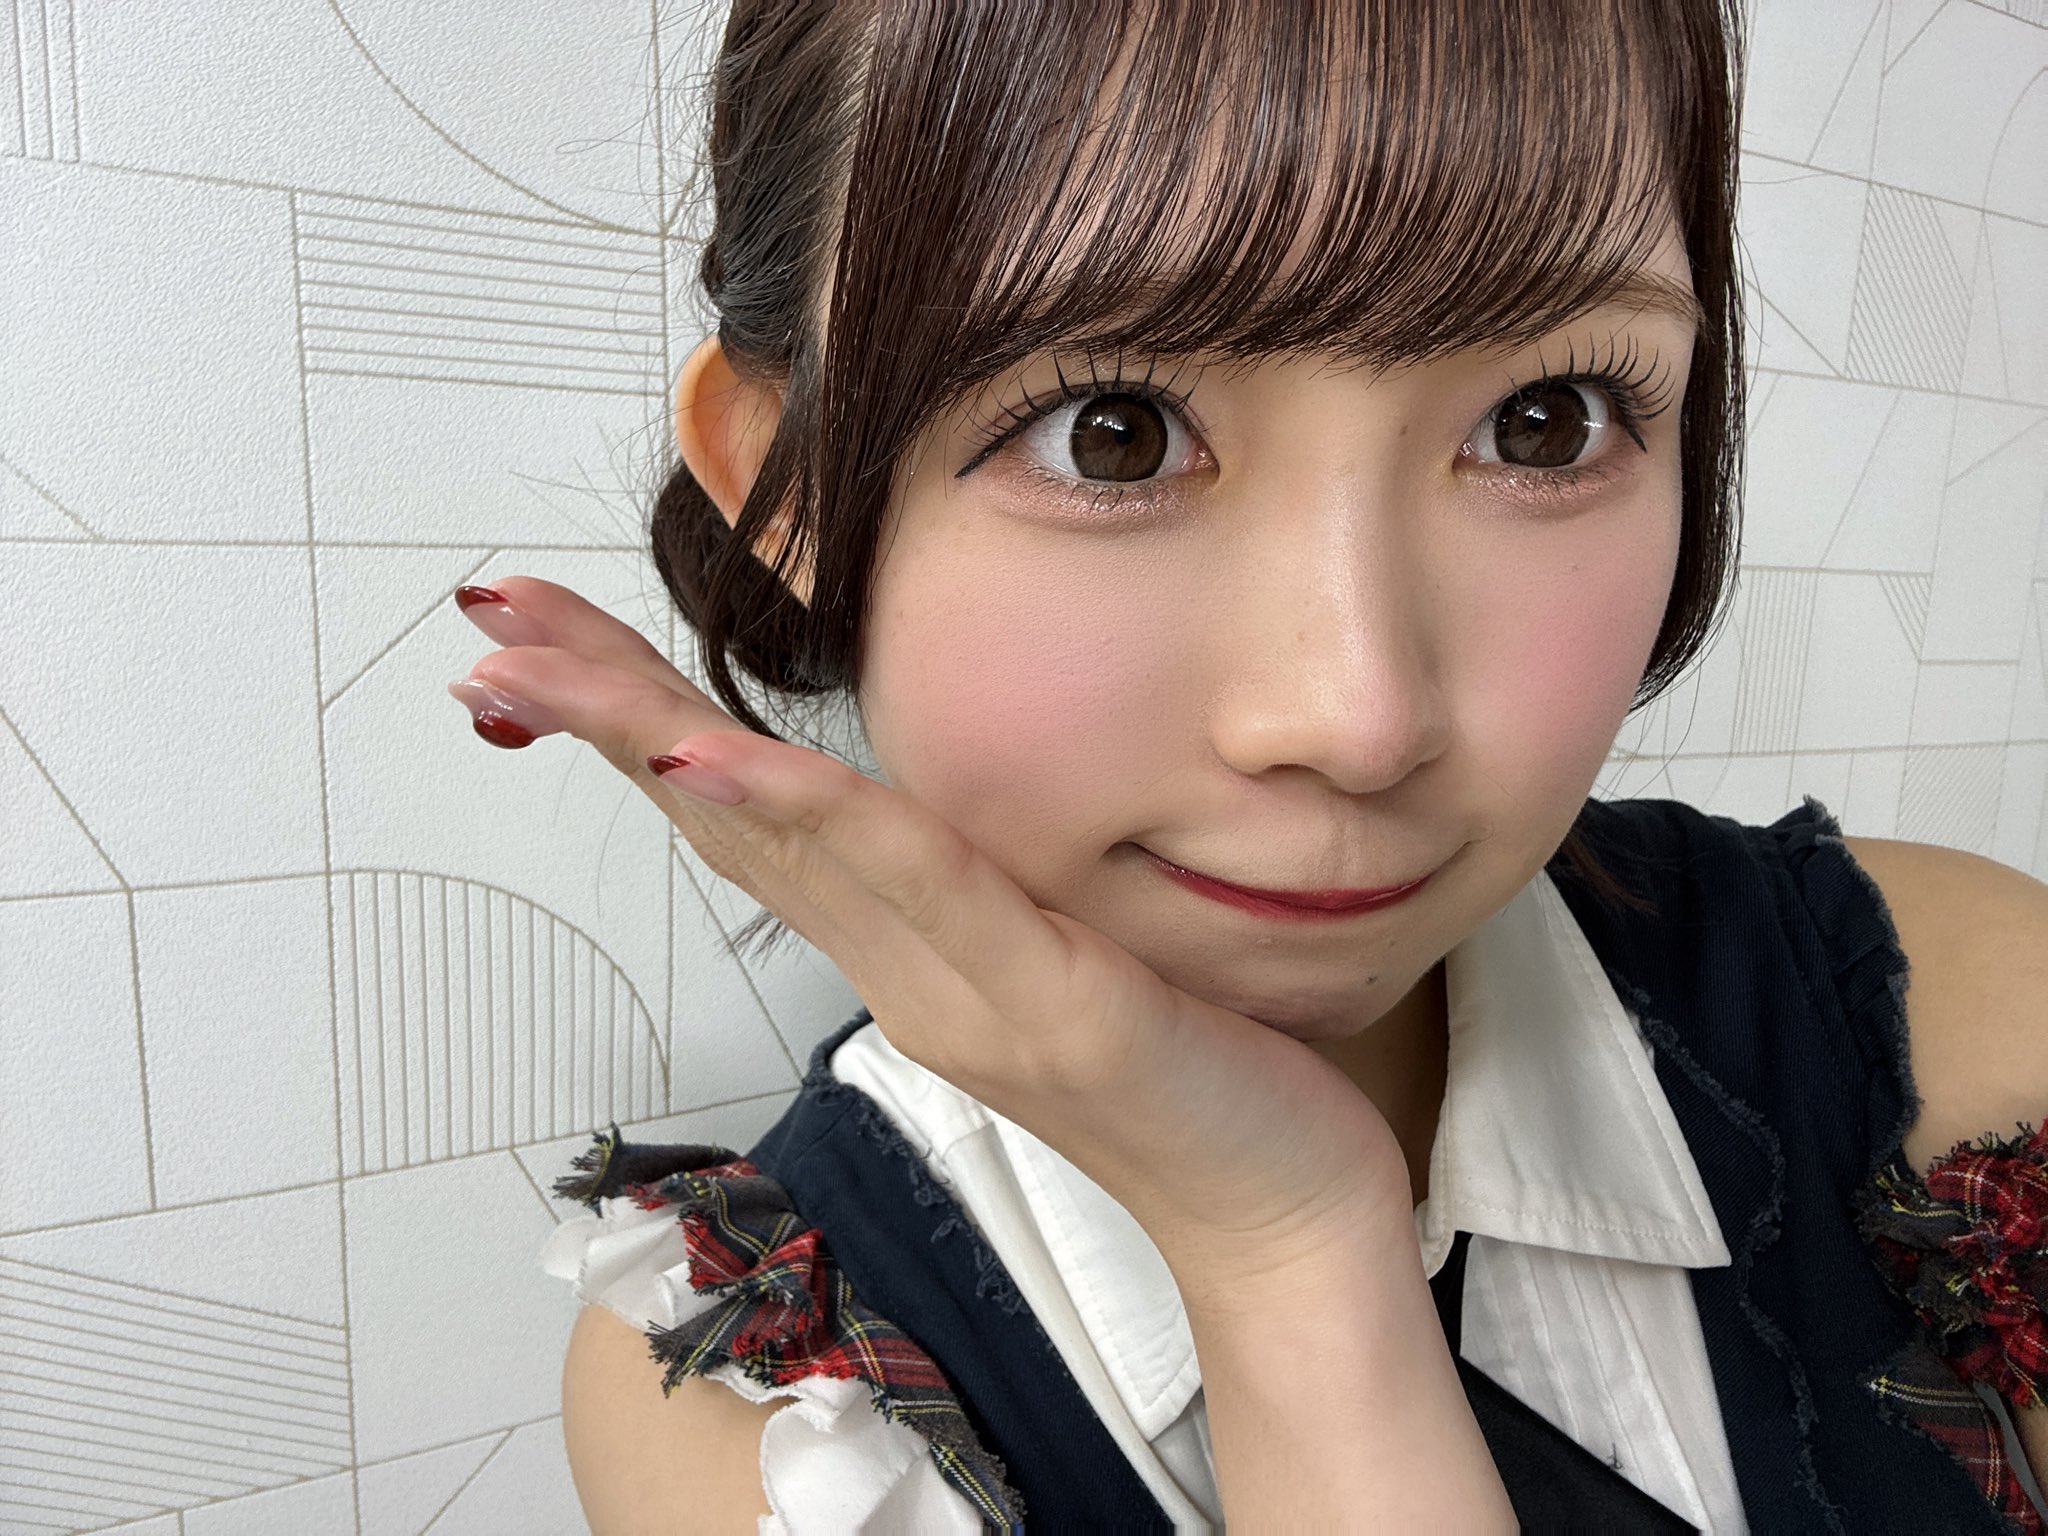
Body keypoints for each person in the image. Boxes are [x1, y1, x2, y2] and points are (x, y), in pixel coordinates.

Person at [442, 0, 2048, 1530]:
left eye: (1547, 422)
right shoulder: (771, 1418)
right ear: (786, 487)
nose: (1360, 720)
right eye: (1114, 433)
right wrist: (1285, 1250)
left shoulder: (1958, 1027)